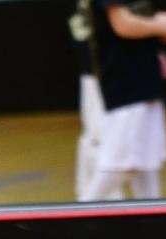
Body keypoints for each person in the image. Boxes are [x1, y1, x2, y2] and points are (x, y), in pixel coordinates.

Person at [78, 0, 166, 203]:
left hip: (145, 84)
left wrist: (164, 26)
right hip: (127, 86)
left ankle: (152, 224)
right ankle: (73, 219)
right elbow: (123, 25)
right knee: (118, 166)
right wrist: (160, 25)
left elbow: (139, 22)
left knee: (146, 164)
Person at [68, 0, 103, 201]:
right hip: (95, 71)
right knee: (96, 136)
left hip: (97, 70)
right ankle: (89, 198)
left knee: (94, 135)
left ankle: (86, 193)